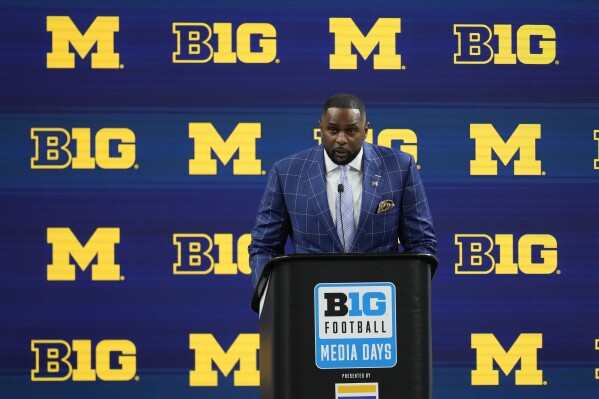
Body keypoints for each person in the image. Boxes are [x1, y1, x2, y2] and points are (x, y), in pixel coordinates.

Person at [249, 94, 436, 287]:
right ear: (321, 128)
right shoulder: (287, 172)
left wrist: (407, 297)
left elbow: (421, 244)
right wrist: (269, 297)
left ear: (365, 130)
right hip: (309, 303)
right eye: (332, 130)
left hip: (380, 304)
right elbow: (264, 247)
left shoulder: (399, 167)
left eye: (351, 131)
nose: (341, 139)